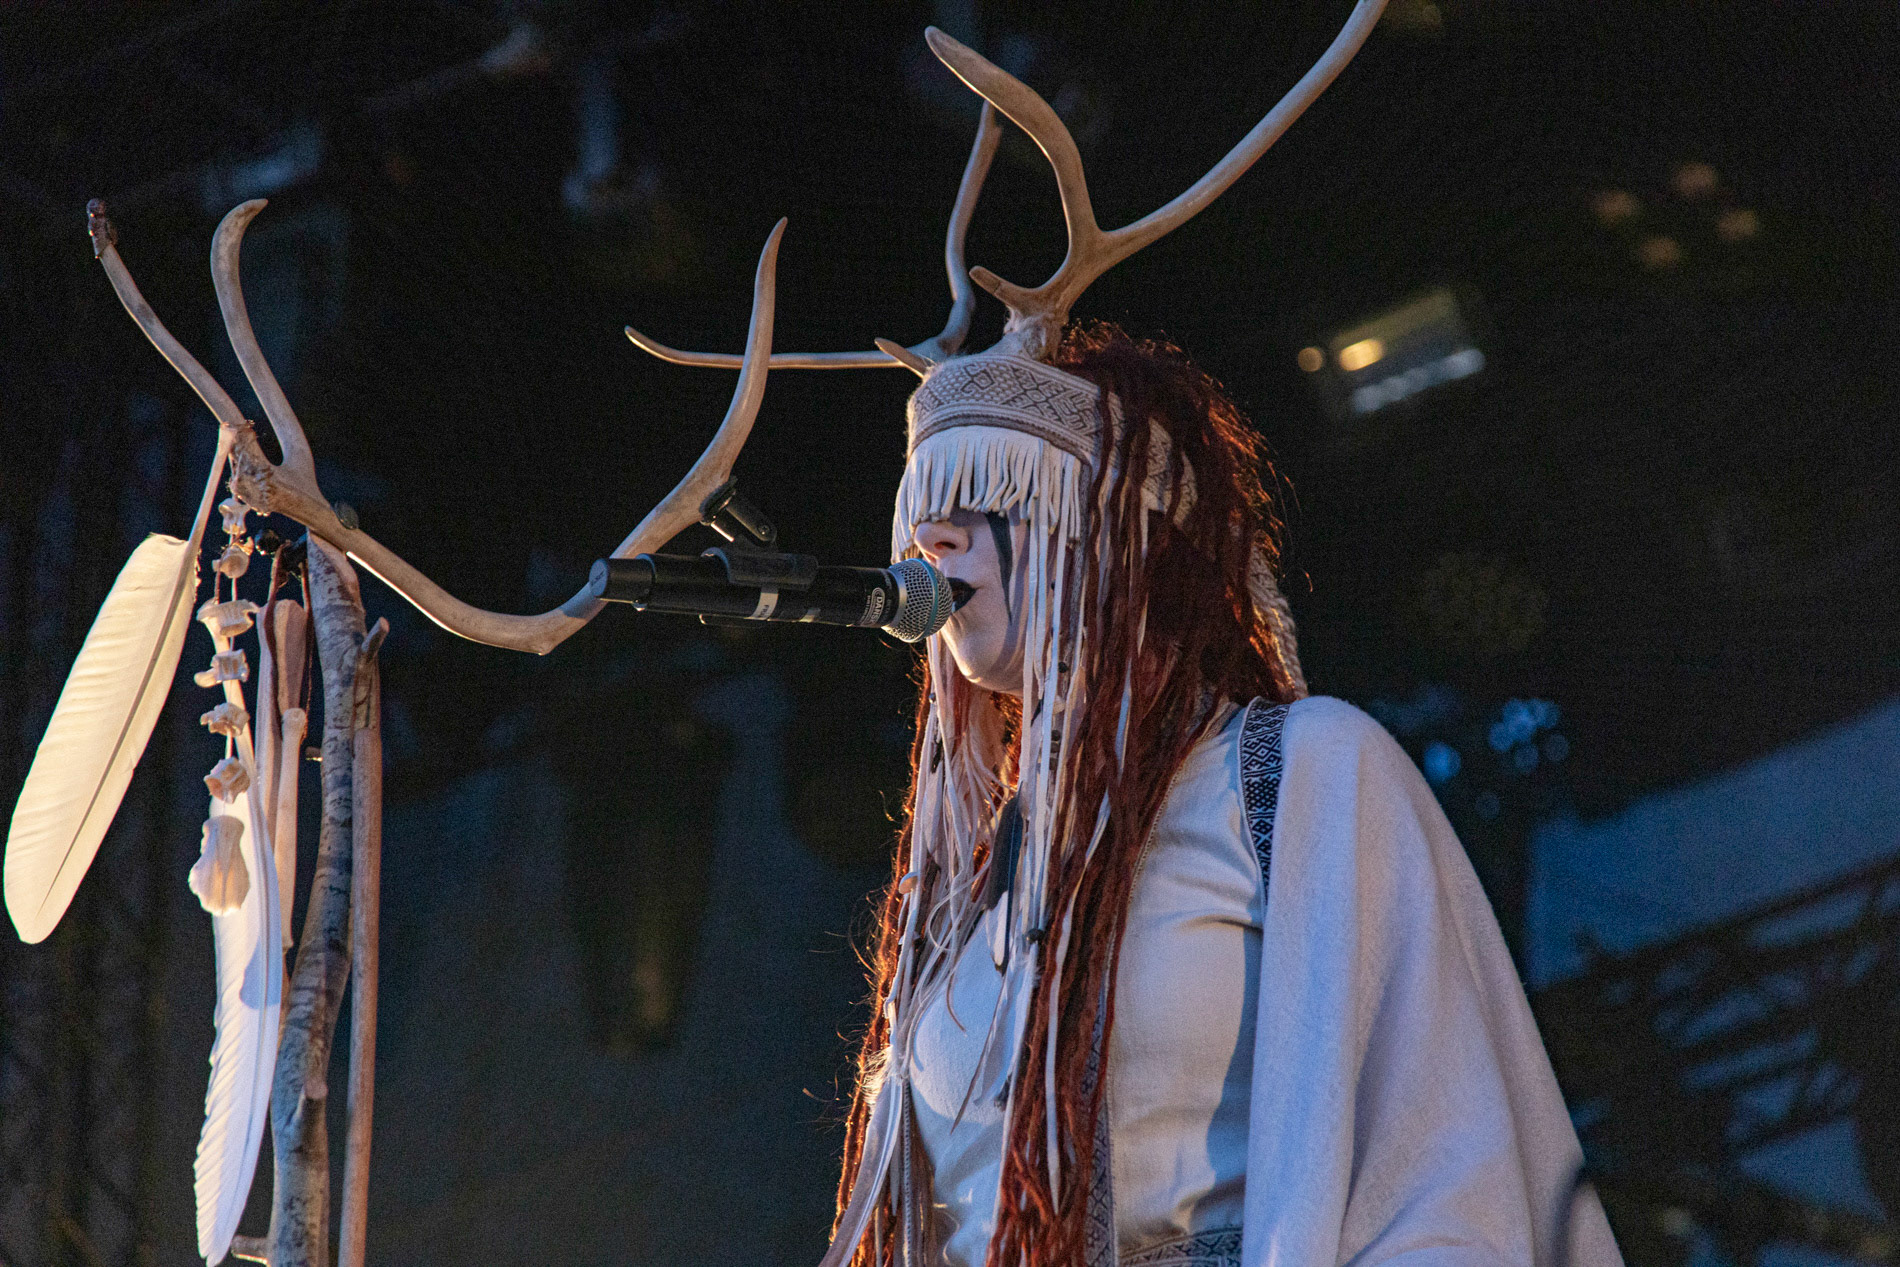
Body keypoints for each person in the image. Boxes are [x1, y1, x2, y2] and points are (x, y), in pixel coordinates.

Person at [821, 325, 1624, 1267]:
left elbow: (1446, 1170)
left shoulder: (1298, 769)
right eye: (925, 509)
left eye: (988, 493)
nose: (934, 537)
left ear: (1121, 528)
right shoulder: (965, 896)